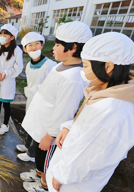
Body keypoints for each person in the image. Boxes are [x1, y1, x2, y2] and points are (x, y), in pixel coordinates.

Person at [46, 32, 134, 192]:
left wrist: (61, 175)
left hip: (73, 183)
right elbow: (86, 124)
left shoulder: (114, 109)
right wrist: (69, 127)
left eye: (86, 65)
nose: (83, 70)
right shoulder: (105, 91)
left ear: (108, 66)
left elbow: (90, 155)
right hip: (67, 170)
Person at [21, 21, 92, 192]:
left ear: (73, 48)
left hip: (49, 129)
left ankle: (44, 185)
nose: (53, 47)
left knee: (46, 160)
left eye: (58, 44)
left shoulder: (73, 77)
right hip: (42, 123)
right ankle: (38, 175)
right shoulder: (62, 65)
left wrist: (51, 135)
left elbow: (64, 110)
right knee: (39, 157)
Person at [16, 32, 57, 163]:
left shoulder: (50, 65)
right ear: (25, 49)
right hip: (31, 98)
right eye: (30, 45)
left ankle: (32, 154)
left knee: (38, 127)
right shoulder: (29, 65)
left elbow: (52, 86)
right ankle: (27, 145)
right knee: (30, 122)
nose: (34, 48)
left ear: (42, 45)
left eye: (37, 44)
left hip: (44, 102)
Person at [0, 24, 23, 135]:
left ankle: (5, 125)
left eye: (5, 34)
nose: (2, 36)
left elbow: (18, 68)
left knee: (6, 104)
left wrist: (5, 73)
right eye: (1, 34)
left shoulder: (17, 51)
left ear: (12, 37)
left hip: (7, 81)